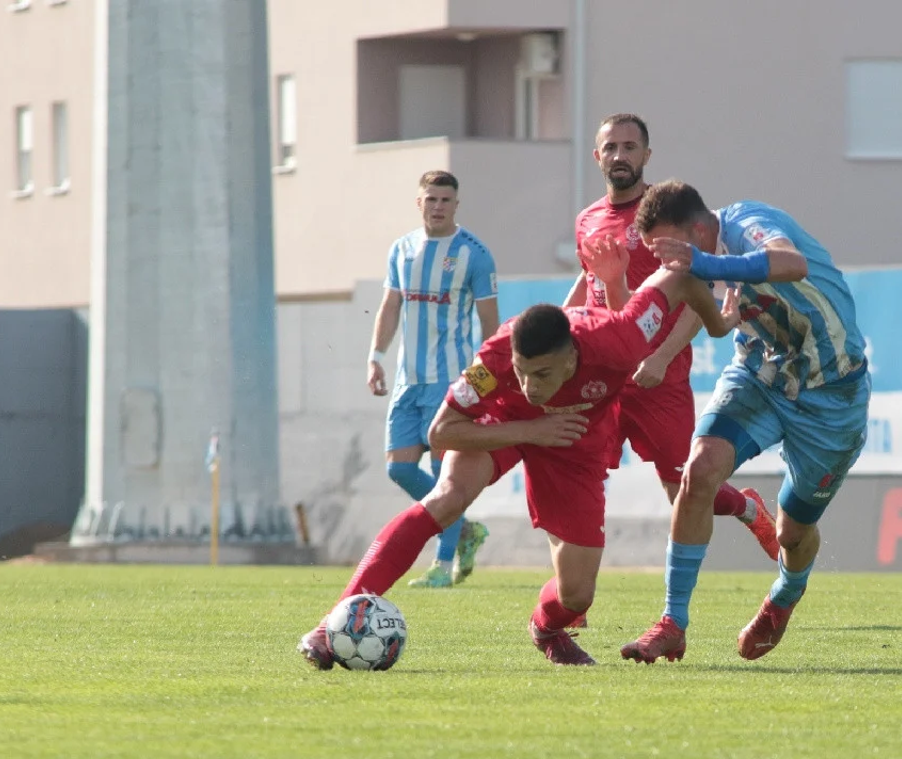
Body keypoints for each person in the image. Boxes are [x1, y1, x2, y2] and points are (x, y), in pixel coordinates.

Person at [298, 256, 740, 668]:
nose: (530, 385)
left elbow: (679, 276)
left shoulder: (620, 340)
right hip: (502, 423)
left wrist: (719, 324)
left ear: (571, 359)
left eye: (542, 374)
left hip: (574, 443)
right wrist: (531, 429)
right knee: (447, 498)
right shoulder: (494, 358)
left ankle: (545, 629)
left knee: (577, 596)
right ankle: (327, 625)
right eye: (521, 371)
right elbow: (441, 432)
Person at [620, 180, 871, 664]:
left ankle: (787, 591)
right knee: (698, 472)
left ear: (697, 230)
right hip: (760, 373)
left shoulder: (745, 224)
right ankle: (672, 622)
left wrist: (705, 265)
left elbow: (791, 262)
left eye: (669, 248)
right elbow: (681, 304)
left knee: (792, 533)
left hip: (832, 392)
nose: (665, 261)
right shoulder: (694, 259)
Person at [564, 114, 780, 574]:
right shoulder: (587, 219)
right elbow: (588, 282)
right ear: (597, 156)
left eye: (629, 147)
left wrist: (662, 357)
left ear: (647, 154)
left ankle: (746, 507)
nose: (620, 155)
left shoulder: (665, 217)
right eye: (611, 147)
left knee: (684, 490)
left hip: (658, 377)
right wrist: (559, 330)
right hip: (602, 371)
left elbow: (696, 296)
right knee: (578, 473)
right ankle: (573, 591)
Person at [367, 170, 500, 589]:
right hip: (407, 381)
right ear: (419, 203)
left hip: (450, 384)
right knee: (399, 469)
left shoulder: (474, 254)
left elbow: (491, 325)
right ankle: (465, 530)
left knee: (447, 480)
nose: (438, 206)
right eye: (431, 199)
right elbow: (390, 307)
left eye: (445, 200)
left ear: (456, 205)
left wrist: (482, 381)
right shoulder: (401, 250)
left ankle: (442, 567)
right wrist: (375, 358)